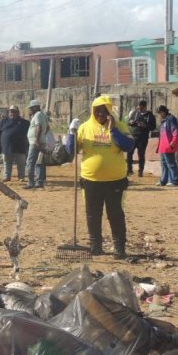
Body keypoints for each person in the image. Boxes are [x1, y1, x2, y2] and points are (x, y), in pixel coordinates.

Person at [66, 95, 134, 259]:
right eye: (98, 111)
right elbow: (70, 152)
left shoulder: (120, 126)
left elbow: (128, 146)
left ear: (110, 111)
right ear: (93, 111)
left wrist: (113, 130)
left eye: (105, 110)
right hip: (91, 181)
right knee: (92, 214)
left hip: (115, 181)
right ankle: (95, 246)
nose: (101, 114)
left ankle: (119, 248)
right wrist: (71, 134)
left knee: (115, 214)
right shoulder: (84, 128)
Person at [0, 106, 30, 182]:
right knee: (7, 163)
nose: (12, 113)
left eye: (14, 111)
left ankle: (21, 176)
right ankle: (7, 176)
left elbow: (31, 132)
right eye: (11, 111)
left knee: (21, 163)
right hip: (6, 146)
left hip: (20, 147)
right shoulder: (4, 121)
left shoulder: (24, 122)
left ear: (18, 112)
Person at [126, 100, 156, 177]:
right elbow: (128, 122)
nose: (140, 109)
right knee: (129, 154)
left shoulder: (150, 115)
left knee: (141, 155)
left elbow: (153, 127)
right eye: (139, 108)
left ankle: (140, 171)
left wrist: (145, 126)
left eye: (141, 108)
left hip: (143, 138)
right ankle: (129, 170)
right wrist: (131, 122)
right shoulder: (135, 113)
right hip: (133, 137)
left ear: (145, 107)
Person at [25, 99, 50, 189]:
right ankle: (40, 181)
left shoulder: (38, 115)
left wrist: (37, 140)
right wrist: (42, 137)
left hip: (35, 143)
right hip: (40, 141)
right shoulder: (41, 115)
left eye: (31, 108)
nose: (30, 110)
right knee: (39, 162)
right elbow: (47, 128)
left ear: (35, 107)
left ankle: (31, 182)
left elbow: (39, 128)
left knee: (30, 162)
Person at [156, 105, 178, 187]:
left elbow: (175, 131)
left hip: (169, 146)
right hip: (163, 146)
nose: (160, 115)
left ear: (163, 112)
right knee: (164, 164)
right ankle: (163, 181)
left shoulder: (171, 119)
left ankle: (174, 181)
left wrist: (173, 142)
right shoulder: (164, 120)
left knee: (171, 163)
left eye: (160, 113)